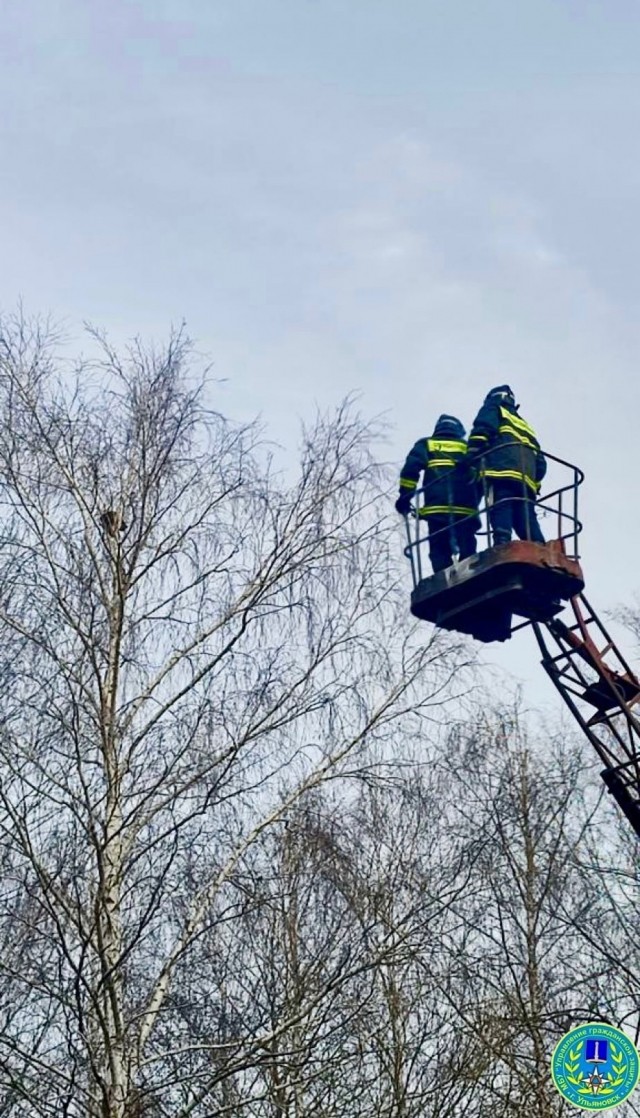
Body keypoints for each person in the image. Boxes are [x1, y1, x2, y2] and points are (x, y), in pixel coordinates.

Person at [395, 414, 480, 573]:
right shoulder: (468, 448)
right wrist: (475, 500)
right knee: (467, 544)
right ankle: (469, 574)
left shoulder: (427, 445)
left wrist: (405, 497)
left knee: (439, 549)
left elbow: (410, 471)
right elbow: (481, 476)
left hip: (437, 509)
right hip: (465, 510)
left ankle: (443, 579)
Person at [467, 385, 546, 546]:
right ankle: (539, 545)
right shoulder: (524, 425)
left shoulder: (493, 408)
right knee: (526, 514)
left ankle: (502, 543)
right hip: (526, 481)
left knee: (502, 504)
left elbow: (482, 430)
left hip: (500, 472)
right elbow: (541, 462)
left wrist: (471, 457)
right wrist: (535, 483)